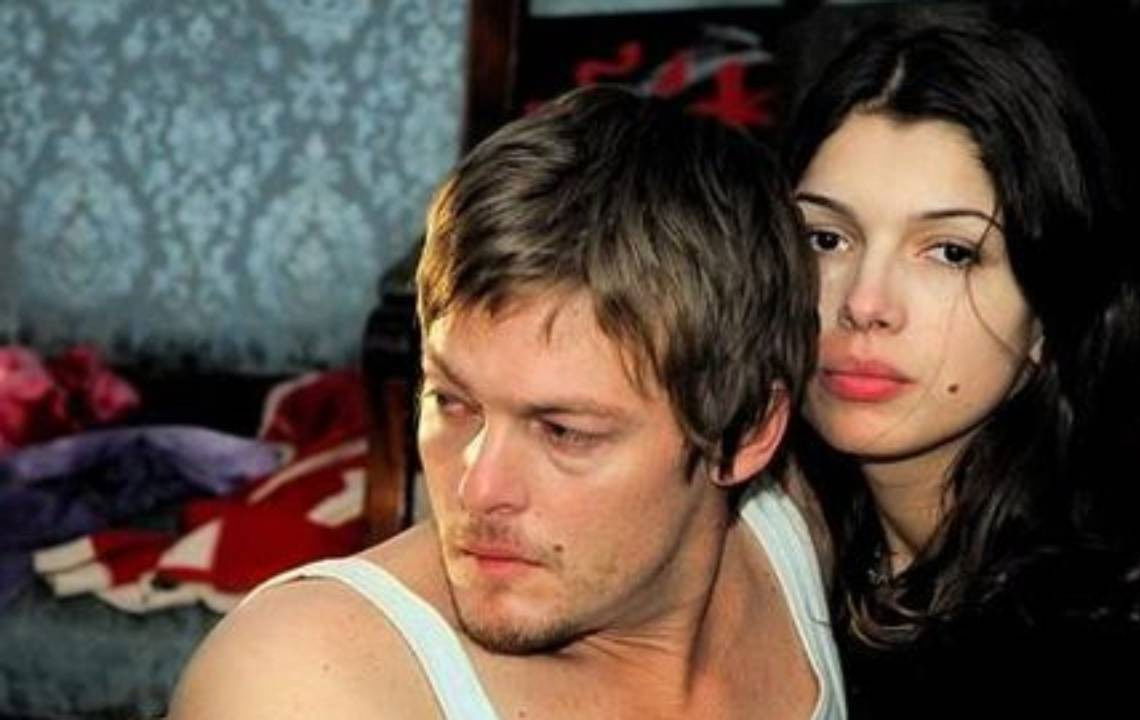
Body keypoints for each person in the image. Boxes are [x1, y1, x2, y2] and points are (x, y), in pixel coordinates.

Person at [169, 85, 845, 719]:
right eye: (451, 401)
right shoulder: (302, 679)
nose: (478, 488)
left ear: (746, 432)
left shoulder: (800, 540)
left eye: (564, 432)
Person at [784, 7, 1140, 715]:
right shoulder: (785, 535)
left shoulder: (1115, 640)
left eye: (951, 252)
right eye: (826, 239)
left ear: (1049, 311)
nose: (865, 302)